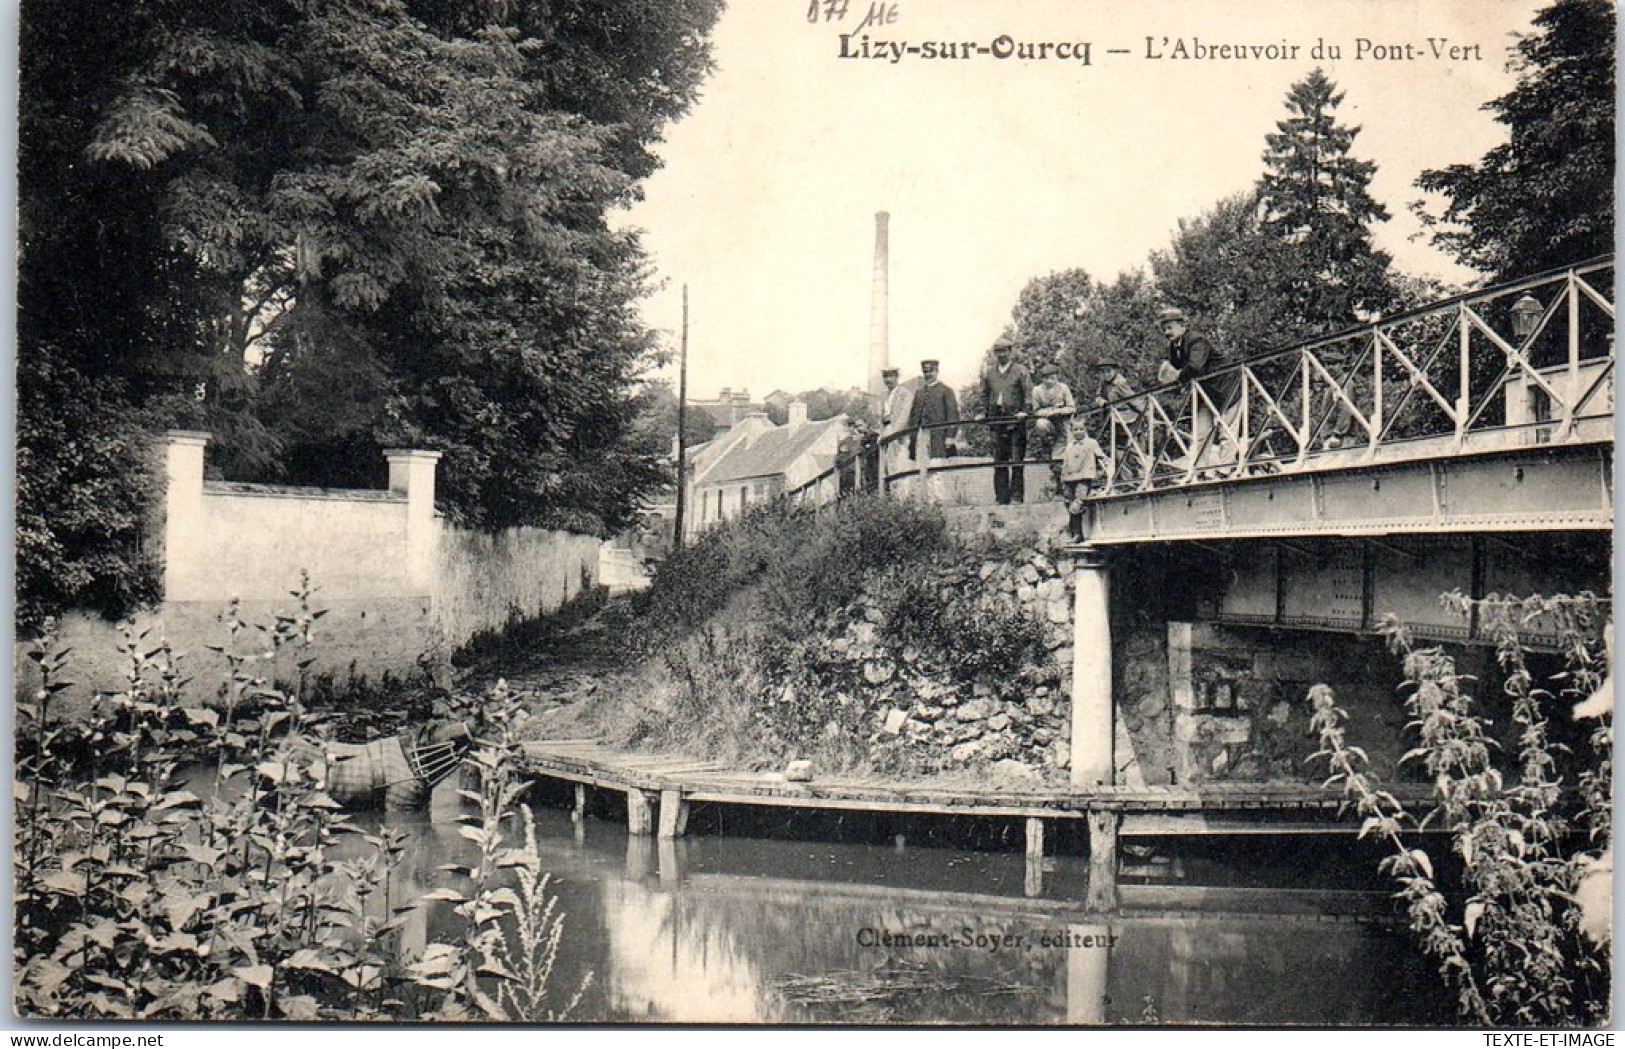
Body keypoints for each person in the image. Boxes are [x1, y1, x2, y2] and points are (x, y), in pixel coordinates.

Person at [1156, 307, 1237, 471]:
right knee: (1201, 433)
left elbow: (1195, 367)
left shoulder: (1196, 340)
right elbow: (1178, 371)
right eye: (1164, 328)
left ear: (1182, 325)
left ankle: (1225, 469)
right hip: (1204, 393)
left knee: (1226, 431)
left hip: (1226, 388)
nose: (1166, 332)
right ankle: (1200, 470)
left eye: (1169, 327)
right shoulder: (1174, 347)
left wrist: (1177, 376)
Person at [975, 335, 1032, 504]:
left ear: (1010, 352)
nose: (1001, 355)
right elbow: (984, 394)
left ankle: (1016, 497)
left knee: (1016, 459)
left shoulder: (1020, 370)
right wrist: (983, 413)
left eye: (1004, 351)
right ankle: (1001, 497)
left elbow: (1028, 393)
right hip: (996, 420)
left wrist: (1025, 411)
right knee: (999, 460)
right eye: (997, 352)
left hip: (1015, 420)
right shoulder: (990, 373)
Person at [1059, 415, 1107, 542]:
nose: (1078, 432)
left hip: (1084, 478)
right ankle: (1076, 532)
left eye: (1081, 429)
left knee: (1078, 503)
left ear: (1085, 429)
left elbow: (1101, 455)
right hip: (1070, 479)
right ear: (1071, 431)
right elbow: (1066, 463)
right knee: (1069, 503)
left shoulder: (1091, 443)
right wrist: (1063, 478)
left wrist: (1106, 463)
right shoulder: (1070, 446)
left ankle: (1078, 535)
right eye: (1075, 429)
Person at [1029, 361, 1075, 492]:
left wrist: (1058, 411)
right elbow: (1036, 411)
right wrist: (1048, 412)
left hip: (1064, 423)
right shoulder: (1037, 390)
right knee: (1041, 424)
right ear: (1041, 379)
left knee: (1068, 451)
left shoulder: (1063, 388)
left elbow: (1072, 407)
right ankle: (1046, 443)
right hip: (1048, 423)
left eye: (1052, 378)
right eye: (1046, 378)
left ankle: (1067, 486)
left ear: (1057, 378)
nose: (1049, 381)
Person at [906, 358, 960, 461]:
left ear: (937, 371)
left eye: (931, 371)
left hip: (938, 436)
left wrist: (950, 436)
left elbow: (953, 415)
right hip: (920, 436)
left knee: (936, 467)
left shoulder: (946, 391)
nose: (928, 374)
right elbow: (913, 416)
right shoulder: (919, 393)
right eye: (925, 371)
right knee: (921, 466)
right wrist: (912, 435)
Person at [878, 366, 914, 478]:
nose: (888, 380)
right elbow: (879, 417)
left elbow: (904, 415)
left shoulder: (905, 394)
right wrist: (881, 433)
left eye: (891, 376)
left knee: (901, 464)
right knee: (888, 467)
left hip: (899, 435)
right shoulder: (883, 396)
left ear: (897, 377)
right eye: (885, 377)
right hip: (886, 433)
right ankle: (893, 494)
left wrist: (894, 432)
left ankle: (903, 495)